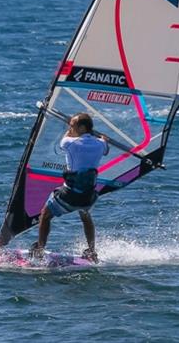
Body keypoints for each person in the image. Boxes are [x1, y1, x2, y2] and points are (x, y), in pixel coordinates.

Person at [29, 112, 108, 262]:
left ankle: (40, 249)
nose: (69, 128)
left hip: (70, 195)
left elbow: (64, 140)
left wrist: (70, 132)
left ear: (83, 128)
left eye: (72, 125)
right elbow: (105, 148)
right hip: (89, 196)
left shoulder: (69, 143)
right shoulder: (101, 144)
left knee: (45, 215)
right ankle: (91, 251)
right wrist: (104, 139)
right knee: (85, 215)